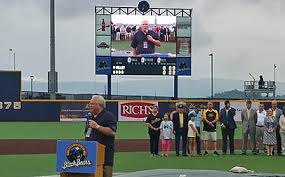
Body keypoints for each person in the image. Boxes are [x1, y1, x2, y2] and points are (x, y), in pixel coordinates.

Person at [85, 95, 117, 177]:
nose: (89, 105)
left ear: (99, 105)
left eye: (92, 104)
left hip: (105, 156)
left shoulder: (109, 116)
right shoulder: (90, 117)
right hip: (90, 155)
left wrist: (97, 127)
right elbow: (87, 133)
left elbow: (112, 132)